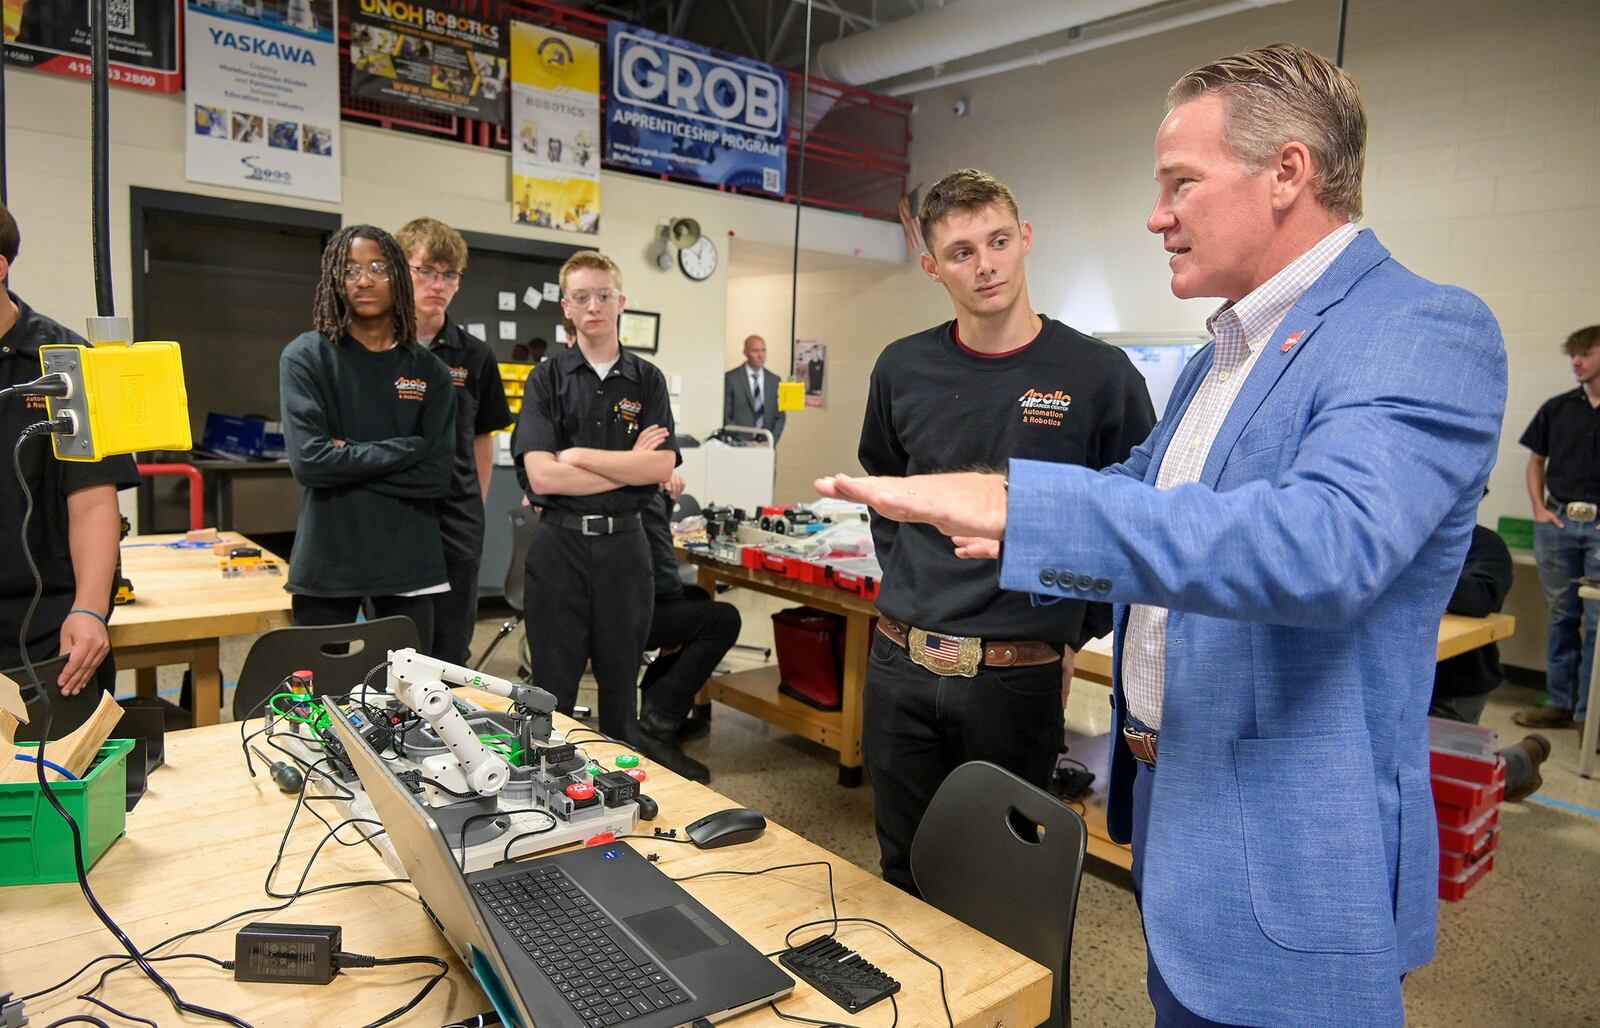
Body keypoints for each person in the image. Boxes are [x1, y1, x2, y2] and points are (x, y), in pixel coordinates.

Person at [817, 44, 1505, 1027]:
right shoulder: (1215, 356)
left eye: (1180, 181)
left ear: (1287, 172)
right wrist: (994, 502)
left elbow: (1325, 543)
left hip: (1286, 860)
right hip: (1177, 819)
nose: (1156, 214)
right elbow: (1134, 489)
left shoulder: (1421, 328)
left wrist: (1022, 510)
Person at [856, 168, 1156, 894]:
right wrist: (917, 588)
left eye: (996, 241)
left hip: (1014, 680)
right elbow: (888, 494)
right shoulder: (903, 367)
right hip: (901, 665)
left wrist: (1066, 636)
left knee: (997, 886)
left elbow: (1131, 519)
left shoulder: (1098, 375)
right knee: (904, 870)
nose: (984, 264)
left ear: (1024, 240)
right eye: (961, 252)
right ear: (932, 266)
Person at [512, 251, 677, 750]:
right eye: (581, 297)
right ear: (567, 306)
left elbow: (661, 467)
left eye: (604, 295)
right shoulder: (547, 379)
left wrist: (579, 456)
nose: (594, 306)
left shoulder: (648, 380)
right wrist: (628, 469)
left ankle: (619, 799)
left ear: (620, 301)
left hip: (626, 553)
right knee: (551, 693)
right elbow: (541, 477)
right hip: (559, 549)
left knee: (621, 689)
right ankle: (547, 801)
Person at [280, 226, 456, 653]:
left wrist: (348, 457)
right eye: (350, 269)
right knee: (320, 702)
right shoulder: (305, 357)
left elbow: (437, 475)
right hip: (328, 559)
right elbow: (310, 463)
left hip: (408, 561)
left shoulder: (430, 371)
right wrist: (407, 448)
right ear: (334, 281)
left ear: (398, 275)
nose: (363, 279)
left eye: (377, 268)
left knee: (407, 705)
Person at [0, 201, 139, 697]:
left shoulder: (67, 364)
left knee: (55, 772)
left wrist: (88, 608)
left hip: (44, 628)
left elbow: (93, 501)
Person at [395, 218, 512, 666]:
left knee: (451, 647)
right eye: (425, 270)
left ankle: (446, 735)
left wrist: (474, 503)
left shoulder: (474, 355)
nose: (437, 284)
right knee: (400, 646)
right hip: (397, 519)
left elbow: (484, 438)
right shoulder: (378, 346)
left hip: (457, 521)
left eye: (449, 274)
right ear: (401, 272)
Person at [1515, 324, 1600, 733]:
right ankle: (1560, 704)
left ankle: (1590, 714)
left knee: (1597, 622)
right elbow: (1536, 461)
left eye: (1585, 353)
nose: (1577, 362)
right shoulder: (1558, 407)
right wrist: (1537, 508)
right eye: (1573, 355)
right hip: (1559, 520)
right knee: (1562, 614)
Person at [1431, 521, 1550, 802]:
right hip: (1397, 681)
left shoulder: (1483, 544)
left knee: (1439, 784)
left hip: (1452, 688)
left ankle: (1518, 762)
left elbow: (1479, 598)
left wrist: (1419, 568)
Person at [634, 471, 740, 783]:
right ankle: (655, 725)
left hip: (617, 603)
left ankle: (659, 702)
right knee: (724, 620)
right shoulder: (641, 485)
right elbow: (661, 561)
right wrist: (674, 604)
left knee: (700, 598)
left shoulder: (634, 484)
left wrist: (666, 501)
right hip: (630, 611)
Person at [723, 335, 785, 443]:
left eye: (763, 350)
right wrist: (741, 441)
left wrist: (771, 441)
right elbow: (726, 415)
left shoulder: (774, 380)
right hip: (739, 445)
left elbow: (780, 416)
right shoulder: (731, 378)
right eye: (755, 351)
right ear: (745, 353)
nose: (760, 355)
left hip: (766, 445)